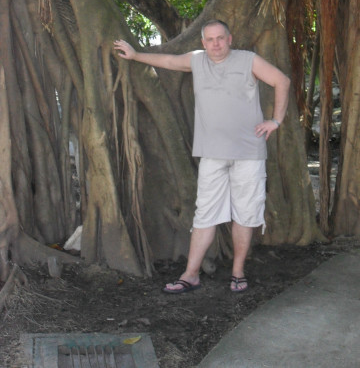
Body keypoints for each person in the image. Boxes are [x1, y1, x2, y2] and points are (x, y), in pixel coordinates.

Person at [113, 20, 290, 293]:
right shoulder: (197, 60)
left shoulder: (248, 60)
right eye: (210, 39)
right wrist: (135, 55)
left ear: (229, 39)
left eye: (220, 38)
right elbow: (168, 61)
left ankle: (238, 272)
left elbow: (282, 81)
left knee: (244, 215)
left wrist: (275, 121)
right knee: (205, 215)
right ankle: (190, 274)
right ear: (203, 42)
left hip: (248, 153)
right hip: (212, 154)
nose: (215, 44)